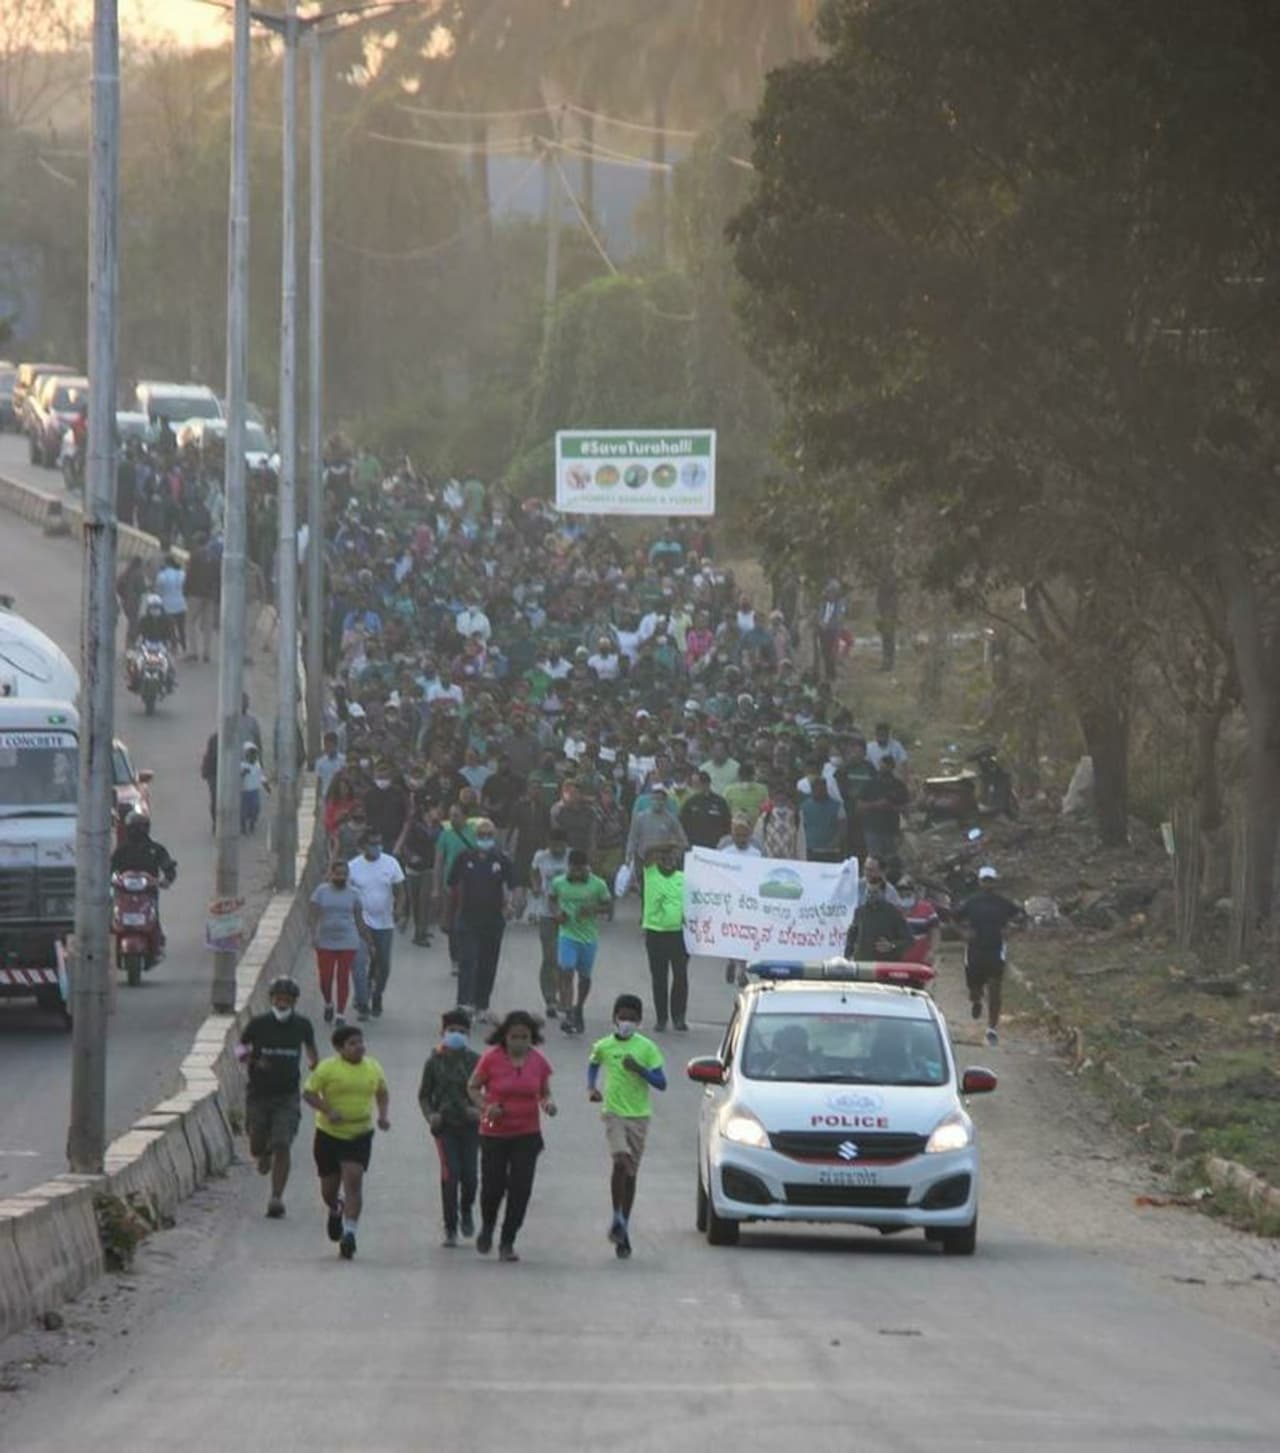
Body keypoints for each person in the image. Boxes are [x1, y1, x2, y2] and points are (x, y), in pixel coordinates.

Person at [467, 1011, 557, 1263]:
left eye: (524, 1037)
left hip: (527, 1134)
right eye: (514, 1036)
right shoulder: (491, 1059)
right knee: (493, 1186)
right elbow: (472, 1087)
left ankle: (508, 1240)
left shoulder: (538, 1061)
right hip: (494, 1132)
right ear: (504, 1037)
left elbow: (544, 1092)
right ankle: (487, 1226)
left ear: (532, 1037)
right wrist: (486, 1106)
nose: (519, 1042)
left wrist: (548, 1104)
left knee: (521, 1189)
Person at [588, 993, 666, 1259]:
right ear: (614, 1018)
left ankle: (624, 1226)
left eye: (632, 1019)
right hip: (614, 1113)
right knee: (619, 1161)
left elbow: (661, 1082)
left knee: (631, 1173)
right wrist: (592, 1087)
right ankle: (616, 1214)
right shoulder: (604, 1045)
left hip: (639, 1116)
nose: (627, 1022)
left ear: (640, 1021)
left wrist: (640, 1070)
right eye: (623, 1017)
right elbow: (594, 1061)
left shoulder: (647, 1048)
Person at [302, 1024, 390, 1260]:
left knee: (354, 1180)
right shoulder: (327, 1068)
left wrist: (382, 1115)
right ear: (340, 1048)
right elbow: (309, 1093)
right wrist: (327, 1110)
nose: (359, 1047)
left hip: (359, 1134)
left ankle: (349, 1234)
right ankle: (335, 1208)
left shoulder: (372, 1067)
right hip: (329, 1135)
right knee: (329, 1190)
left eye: (361, 1042)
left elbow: (382, 1092)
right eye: (352, 1043)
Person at [236, 976, 318, 1219]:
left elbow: (311, 1048)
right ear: (271, 999)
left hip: (287, 1096)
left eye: (287, 999)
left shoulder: (302, 1025)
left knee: (283, 1143)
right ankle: (263, 1154)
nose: (282, 1003)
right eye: (278, 998)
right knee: (256, 1142)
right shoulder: (259, 1024)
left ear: (294, 1002)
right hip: (258, 1094)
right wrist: (252, 1060)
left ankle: (276, 1198)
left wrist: (315, 1062)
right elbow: (239, 1049)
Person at [418, 1008, 482, 1248]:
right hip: (444, 1126)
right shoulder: (434, 1062)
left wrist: (480, 1110)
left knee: (470, 1176)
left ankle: (466, 1209)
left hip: (471, 1126)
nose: (456, 1035)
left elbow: (491, 1092)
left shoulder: (477, 1061)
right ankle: (450, 1227)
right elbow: (424, 1095)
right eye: (452, 1030)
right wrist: (430, 1115)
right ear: (442, 1032)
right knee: (450, 1173)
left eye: (462, 1031)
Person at [448, 818, 515, 1021]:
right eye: (481, 835)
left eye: (488, 835)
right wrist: (448, 913)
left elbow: (512, 885)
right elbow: (452, 883)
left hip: (493, 920)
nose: (484, 839)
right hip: (468, 918)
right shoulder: (464, 857)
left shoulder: (502, 859)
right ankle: (463, 1004)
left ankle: (481, 1005)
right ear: (475, 837)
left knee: (488, 962)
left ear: (494, 837)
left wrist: (511, 904)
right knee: (468, 961)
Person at [954, 865, 1024, 1047]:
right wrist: (963, 932)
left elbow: (1021, 916)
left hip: (995, 949)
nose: (987, 884)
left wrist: (1011, 930)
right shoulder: (971, 902)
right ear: (979, 881)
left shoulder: (1003, 903)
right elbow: (953, 917)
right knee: (974, 988)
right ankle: (976, 1000)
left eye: (990, 880)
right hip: (975, 950)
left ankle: (992, 1028)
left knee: (995, 989)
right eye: (984, 880)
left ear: (995, 882)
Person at [548, 848, 612, 1037]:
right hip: (567, 935)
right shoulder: (559, 882)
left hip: (588, 937)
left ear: (587, 868)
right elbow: (551, 899)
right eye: (573, 869)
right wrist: (556, 914)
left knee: (584, 977)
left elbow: (608, 906)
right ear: (569, 867)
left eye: (580, 869)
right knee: (566, 970)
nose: (576, 873)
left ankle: (579, 1007)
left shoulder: (598, 884)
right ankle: (568, 1013)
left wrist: (593, 909)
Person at [347, 830, 406, 1020]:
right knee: (359, 964)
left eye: (379, 843)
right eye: (372, 844)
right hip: (360, 923)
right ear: (364, 846)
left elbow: (401, 891)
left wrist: (399, 910)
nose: (377, 847)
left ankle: (377, 994)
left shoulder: (391, 863)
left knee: (383, 965)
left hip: (384, 923)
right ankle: (363, 1003)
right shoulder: (353, 866)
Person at [308, 857, 371, 1025]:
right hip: (325, 940)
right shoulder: (321, 891)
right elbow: (313, 914)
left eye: (344, 874)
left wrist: (368, 942)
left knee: (343, 977)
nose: (341, 878)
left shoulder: (354, 894)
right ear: (331, 875)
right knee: (325, 978)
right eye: (337, 874)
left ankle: (340, 1013)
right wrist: (313, 934)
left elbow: (359, 920)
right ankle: (328, 1002)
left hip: (348, 940)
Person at [110, 811, 177, 952]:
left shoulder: (155, 849)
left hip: (148, 892)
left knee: (152, 913)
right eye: (134, 828)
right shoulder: (122, 850)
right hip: (123, 892)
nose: (137, 831)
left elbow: (167, 864)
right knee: (110, 914)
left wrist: (167, 879)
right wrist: (109, 879)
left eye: (140, 827)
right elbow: (110, 867)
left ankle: (157, 942)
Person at [642, 845, 689, 1032]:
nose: (669, 861)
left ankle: (679, 1017)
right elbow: (646, 854)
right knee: (659, 977)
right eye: (664, 857)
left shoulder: (683, 878)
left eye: (672, 858)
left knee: (680, 976)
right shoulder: (650, 873)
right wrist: (667, 844)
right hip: (655, 933)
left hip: (679, 934)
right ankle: (661, 1018)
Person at [529, 827, 570, 1019]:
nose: (556, 849)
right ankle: (550, 998)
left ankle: (565, 996)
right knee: (550, 957)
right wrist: (536, 887)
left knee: (566, 960)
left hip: (568, 914)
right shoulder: (541, 857)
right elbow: (534, 873)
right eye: (553, 845)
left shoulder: (572, 857)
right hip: (547, 913)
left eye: (560, 845)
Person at [717, 815, 761, 985]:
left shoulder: (756, 854)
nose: (741, 839)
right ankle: (732, 961)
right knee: (732, 936)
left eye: (745, 835)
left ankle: (742, 971)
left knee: (746, 937)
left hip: (749, 903)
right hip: (731, 902)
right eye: (738, 835)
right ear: (732, 834)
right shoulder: (725, 853)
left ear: (750, 835)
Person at [846, 868, 912, 961]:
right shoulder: (860, 911)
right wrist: (847, 956)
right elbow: (851, 936)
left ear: (883, 893)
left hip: (886, 966)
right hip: (863, 965)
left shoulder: (893, 913)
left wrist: (892, 945)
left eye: (875, 892)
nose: (871, 896)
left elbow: (908, 940)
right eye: (868, 892)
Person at [859, 756, 910, 862]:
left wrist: (892, 807)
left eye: (886, 766)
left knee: (891, 862)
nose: (882, 768)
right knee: (875, 861)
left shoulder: (898, 785)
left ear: (892, 767)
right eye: (881, 765)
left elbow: (906, 807)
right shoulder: (871, 784)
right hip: (873, 830)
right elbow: (859, 805)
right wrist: (876, 805)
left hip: (891, 831)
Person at [680, 769, 732, 849]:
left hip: (715, 845)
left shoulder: (720, 802)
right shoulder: (691, 802)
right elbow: (683, 823)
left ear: (709, 783)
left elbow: (727, 823)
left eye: (706, 783)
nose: (704, 785)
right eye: (702, 783)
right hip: (695, 844)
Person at [799, 774, 846, 863]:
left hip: (831, 852)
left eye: (821, 787)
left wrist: (835, 842)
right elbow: (801, 827)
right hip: (810, 850)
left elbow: (843, 827)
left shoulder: (838, 806)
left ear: (825, 788)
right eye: (815, 788)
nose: (818, 790)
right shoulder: (804, 806)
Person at [897, 874, 941, 966]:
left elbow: (935, 932)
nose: (904, 893)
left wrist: (932, 951)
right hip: (898, 961)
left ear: (914, 891)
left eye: (908, 890)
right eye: (901, 890)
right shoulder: (893, 910)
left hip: (921, 961)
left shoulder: (927, 909)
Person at [154, 551, 188, 658]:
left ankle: (173, 647)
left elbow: (159, 591)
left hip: (168, 605)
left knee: (170, 628)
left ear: (166, 563)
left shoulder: (162, 575)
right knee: (181, 627)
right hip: (181, 604)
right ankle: (184, 646)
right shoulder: (182, 573)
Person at [240, 743, 269, 835]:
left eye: (254, 755)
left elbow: (261, 776)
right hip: (244, 791)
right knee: (243, 810)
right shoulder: (242, 765)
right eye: (250, 755)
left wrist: (267, 787)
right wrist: (243, 774)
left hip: (254, 791)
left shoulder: (257, 765)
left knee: (256, 808)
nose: (252, 757)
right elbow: (237, 778)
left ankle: (252, 823)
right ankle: (243, 826)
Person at [314, 731, 345, 803]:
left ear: (336, 745)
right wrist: (317, 802)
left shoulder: (343, 760)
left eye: (331, 746)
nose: (329, 749)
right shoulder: (320, 762)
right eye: (327, 746)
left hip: (339, 797)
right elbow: (319, 782)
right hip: (326, 797)